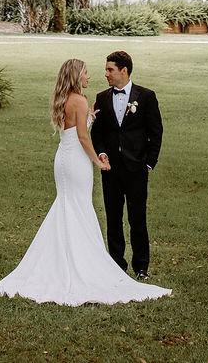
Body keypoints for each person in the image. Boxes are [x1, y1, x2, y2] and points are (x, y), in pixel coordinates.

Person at [0, 57, 171, 306]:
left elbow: (79, 125)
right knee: (79, 208)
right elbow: (83, 136)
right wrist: (98, 160)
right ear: (77, 76)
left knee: (69, 208)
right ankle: (89, 264)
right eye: (87, 73)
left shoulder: (67, 99)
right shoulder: (81, 99)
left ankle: (70, 261)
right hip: (77, 161)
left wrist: (89, 118)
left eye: (105, 70)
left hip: (66, 160)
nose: (93, 76)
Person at [90, 50, 163, 281]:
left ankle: (141, 268)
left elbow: (156, 132)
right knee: (113, 218)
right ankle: (116, 265)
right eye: (106, 70)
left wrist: (149, 164)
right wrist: (101, 154)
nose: (106, 74)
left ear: (124, 70)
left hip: (137, 169)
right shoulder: (102, 97)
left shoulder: (146, 96)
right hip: (110, 169)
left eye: (110, 70)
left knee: (137, 219)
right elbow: (98, 133)